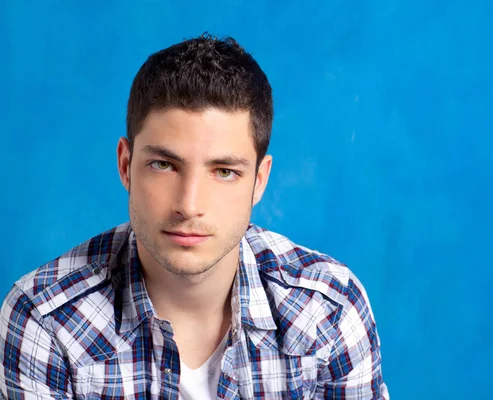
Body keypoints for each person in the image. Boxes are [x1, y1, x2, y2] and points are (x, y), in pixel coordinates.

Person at [0, 34, 389, 399]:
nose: (189, 205)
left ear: (259, 180)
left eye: (224, 171)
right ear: (125, 165)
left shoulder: (329, 310)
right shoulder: (44, 318)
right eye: (164, 165)